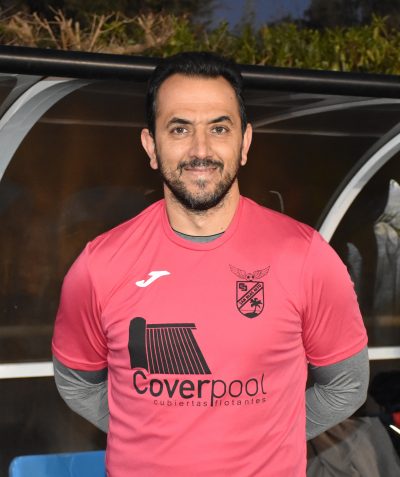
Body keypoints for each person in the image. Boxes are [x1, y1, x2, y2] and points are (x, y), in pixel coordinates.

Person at [52, 52, 369, 477]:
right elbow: (75, 382)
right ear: (151, 146)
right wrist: (145, 429)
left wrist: (269, 437)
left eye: (219, 128)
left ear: (245, 143)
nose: (200, 150)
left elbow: (347, 385)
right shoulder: (99, 265)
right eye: (179, 128)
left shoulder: (306, 257)